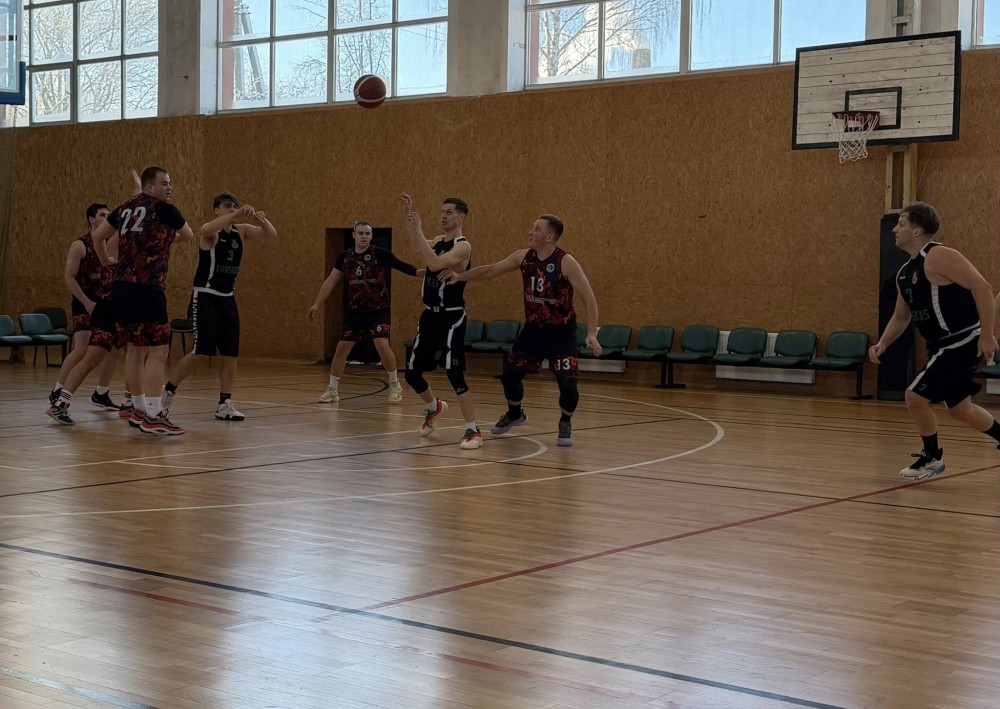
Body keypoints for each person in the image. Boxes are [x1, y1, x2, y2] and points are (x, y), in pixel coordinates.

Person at [869, 201, 1000, 480]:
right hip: (940, 346)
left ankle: (932, 458)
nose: (894, 229)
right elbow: (901, 317)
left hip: (961, 340)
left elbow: (983, 287)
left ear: (917, 231)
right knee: (961, 409)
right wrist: (883, 343)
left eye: (901, 224)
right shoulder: (905, 272)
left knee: (914, 396)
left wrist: (988, 335)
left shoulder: (939, 256)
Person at [443, 214, 600, 447]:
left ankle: (565, 421)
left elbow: (589, 298)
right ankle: (515, 414)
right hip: (532, 332)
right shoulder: (524, 257)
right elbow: (491, 270)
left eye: (536, 229)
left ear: (549, 237)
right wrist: (460, 276)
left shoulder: (565, 262)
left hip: (561, 334)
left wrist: (591, 334)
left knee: (568, 384)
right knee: (509, 375)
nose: (530, 232)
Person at [90, 166, 194, 436]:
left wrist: (106, 261)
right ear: (149, 186)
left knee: (135, 350)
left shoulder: (125, 207)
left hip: (121, 287)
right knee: (158, 350)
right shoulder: (164, 210)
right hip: (148, 287)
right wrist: (165, 240)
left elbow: (98, 236)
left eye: (169, 183)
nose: (169, 188)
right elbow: (189, 234)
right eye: (164, 183)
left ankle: (137, 409)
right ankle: (154, 414)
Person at [159, 192, 277, 422]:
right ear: (217, 209)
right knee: (201, 350)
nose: (232, 209)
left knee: (230, 352)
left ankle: (225, 403)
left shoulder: (241, 231)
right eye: (227, 206)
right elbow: (204, 230)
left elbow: (271, 234)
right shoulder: (211, 231)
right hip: (206, 296)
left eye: (235, 206)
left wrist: (261, 220)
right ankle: (168, 390)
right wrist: (237, 212)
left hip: (227, 297)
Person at [399, 194, 481, 450]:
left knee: (454, 373)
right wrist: (408, 219)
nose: (444, 216)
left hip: (451, 316)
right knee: (412, 374)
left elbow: (434, 264)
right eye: (442, 211)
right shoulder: (436, 241)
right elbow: (417, 246)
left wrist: (419, 231)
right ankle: (433, 407)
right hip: (430, 316)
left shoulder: (463, 246)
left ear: (461, 217)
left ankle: (473, 430)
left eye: (449, 212)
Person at [309, 220, 419, 405]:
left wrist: (420, 272)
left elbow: (401, 265)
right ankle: (332, 389)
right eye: (360, 233)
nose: (364, 236)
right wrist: (317, 304)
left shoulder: (379, 254)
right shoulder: (345, 257)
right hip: (355, 312)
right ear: (354, 235)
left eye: (367, 233)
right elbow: (331, 281)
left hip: (378, 310)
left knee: (382, 345)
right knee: (341, 349)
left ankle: (395, 384)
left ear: (371, 236)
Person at [45, 204, 127, 424]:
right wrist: (88, 303)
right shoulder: (80, 245)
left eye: (109, 215)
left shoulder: (110, 244)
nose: (107, 218)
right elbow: (69, 278)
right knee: (82, 350)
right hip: (84, 301)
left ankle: (101, 392)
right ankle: (58, 391)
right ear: (91, 219)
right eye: (102, 215)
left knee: (115, 350)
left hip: (104, 304)